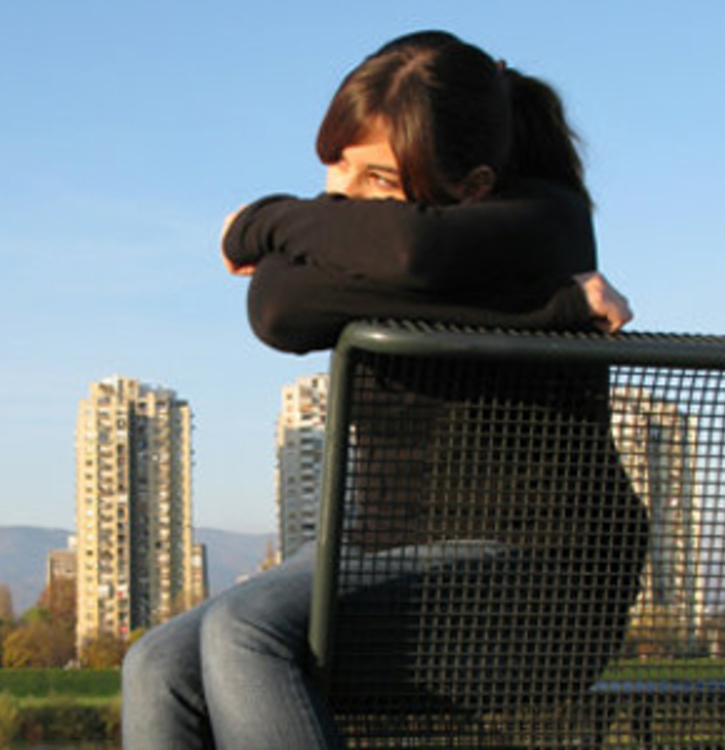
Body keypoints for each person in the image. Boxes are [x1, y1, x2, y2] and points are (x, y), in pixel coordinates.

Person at [122, 30, 644, 749]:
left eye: (377, 180)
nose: (340, 197)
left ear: (472, 186)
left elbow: (411, 251)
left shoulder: (544, 222)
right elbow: (279, 307)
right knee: (157, 664)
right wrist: (545, 308)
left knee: (247, 631)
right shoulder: (376, 238)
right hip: (394, 560)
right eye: (337, 163)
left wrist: (258, 222)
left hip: (538, 585)